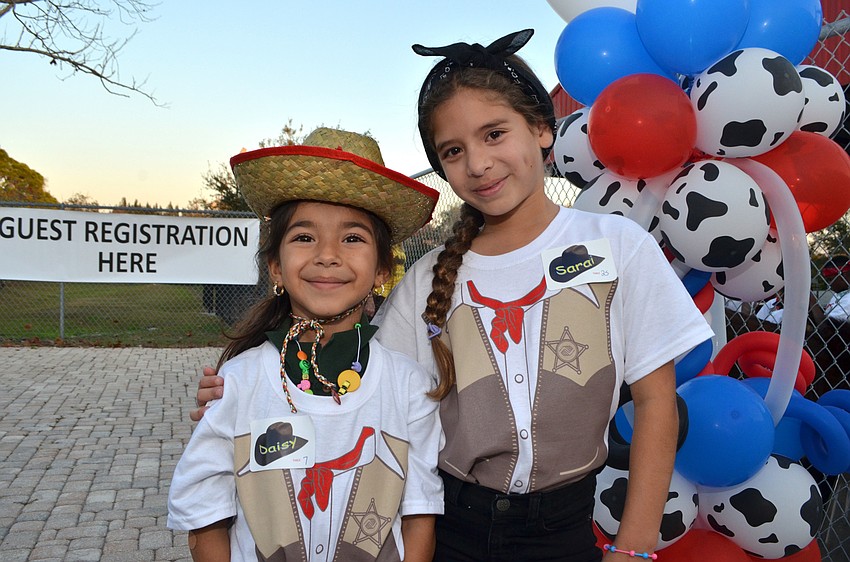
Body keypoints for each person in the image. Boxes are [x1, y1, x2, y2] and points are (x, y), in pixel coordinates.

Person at [193, 30, 713, 561]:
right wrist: (243, 397)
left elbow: (655, 402)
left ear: (541, 128)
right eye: (454, 151)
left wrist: (634, 549)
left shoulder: (618, 246)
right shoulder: (428, 279)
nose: (478, 164)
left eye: (494, 134)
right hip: (450, 531)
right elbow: (361, 392)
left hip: (565, 532)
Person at [169, 127, 443, 562]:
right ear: (275, 267)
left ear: (381, 270)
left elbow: (420, 512)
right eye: (304, 237)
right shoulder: (237, 381)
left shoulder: (410, 387)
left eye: (352, 238)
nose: (327, 255)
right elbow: (204, 511)